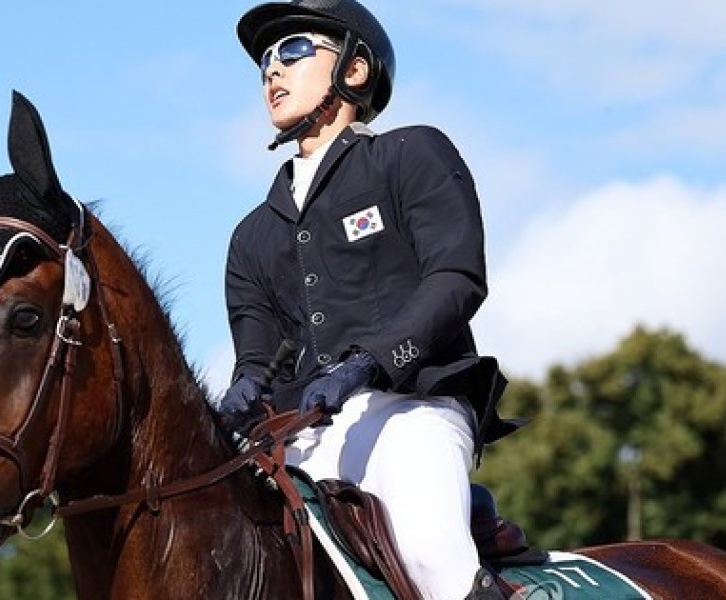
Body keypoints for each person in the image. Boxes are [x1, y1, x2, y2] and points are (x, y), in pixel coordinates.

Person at [218, 1, 510, 598]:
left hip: (411, 411)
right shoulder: (251, 236)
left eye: (293, 50)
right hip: (301, 436)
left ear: (354, 70)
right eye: (265, 61)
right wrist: (245, 385)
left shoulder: (409, 155)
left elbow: (456, 276)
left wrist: (369, 361)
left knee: (432, 559)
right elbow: (259, 356)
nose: (272, 70)